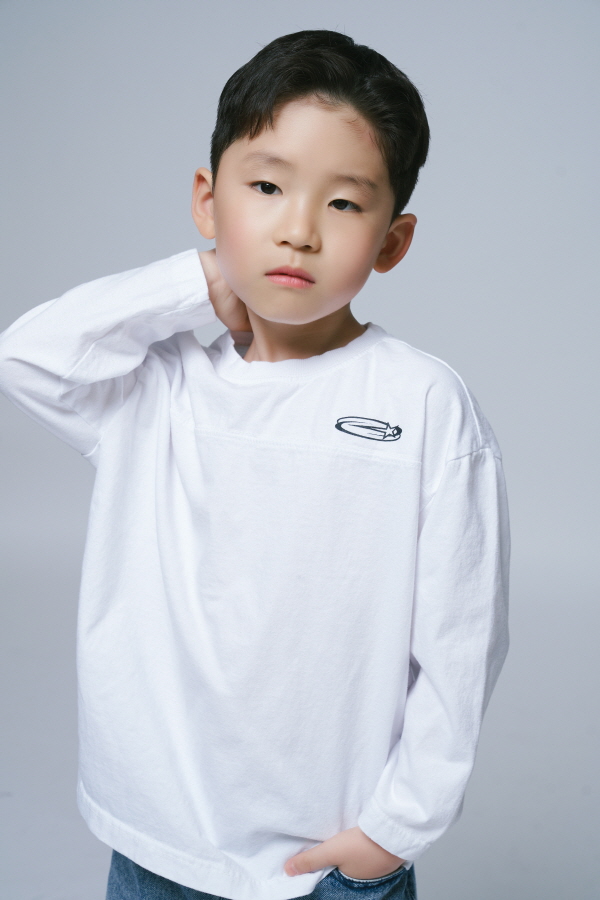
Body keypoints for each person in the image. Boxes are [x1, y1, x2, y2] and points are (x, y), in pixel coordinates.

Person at [0, 29, 510, 900]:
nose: (299, 231)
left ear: (392, 241)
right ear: (208, 201)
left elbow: (463, 640)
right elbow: (27, 356)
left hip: (327, 860)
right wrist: (196, 285)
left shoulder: (423, 402)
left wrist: (396, 830)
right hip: (158, 843)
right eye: (267, 187)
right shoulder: (155, 390)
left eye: (343, 203)